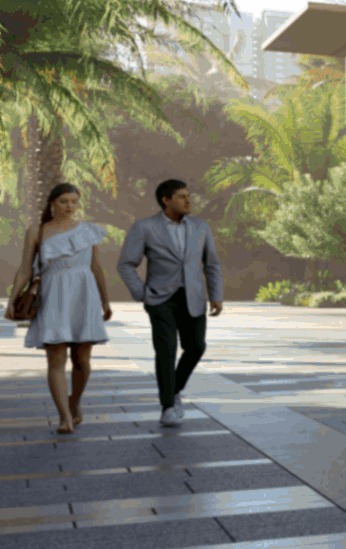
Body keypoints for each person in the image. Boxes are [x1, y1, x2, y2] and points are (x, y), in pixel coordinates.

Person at [12, 184, 118, 436]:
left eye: (74, 201)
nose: (70, 206)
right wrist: (12, 300)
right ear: (51, 204)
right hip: (53, 294)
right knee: (56, 359)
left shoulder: (87, 230)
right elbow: (25, 269)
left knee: (82, 360)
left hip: (85, 293)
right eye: (63, 201)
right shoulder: (37, 231)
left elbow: (96, 267)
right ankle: (64, 416)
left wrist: (105, 301)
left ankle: (75, 401)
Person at [119, 178, 224, 426]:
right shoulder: (144, 227)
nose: (189, 201)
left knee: (196, 347)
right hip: (160, 298)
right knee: (166, 351)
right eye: (182, 197)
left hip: (194, 297)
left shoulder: (201, 227)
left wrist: (216, 294)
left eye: (189, 196)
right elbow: (126, 264)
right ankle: (168, 406)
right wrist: (141, 293)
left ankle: (174, 389)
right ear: (166, 200)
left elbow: (212, 264)